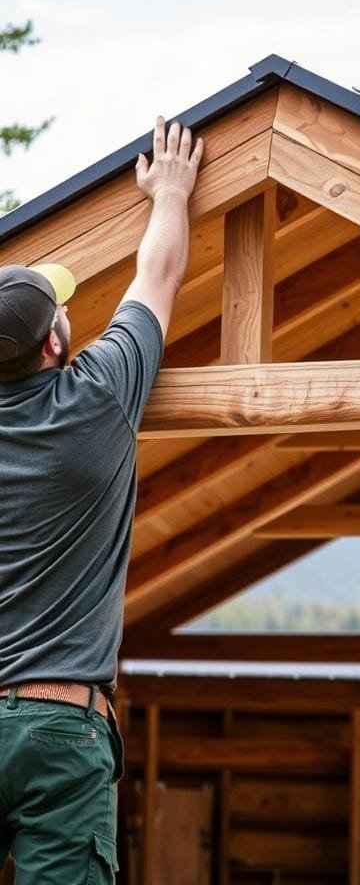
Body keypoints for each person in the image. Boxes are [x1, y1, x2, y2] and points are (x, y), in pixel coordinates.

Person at [0, 117, 203, 883]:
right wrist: (171, 192)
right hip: (59, 725)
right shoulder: (97, 399)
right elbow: (158, 276)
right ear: (55, 344)